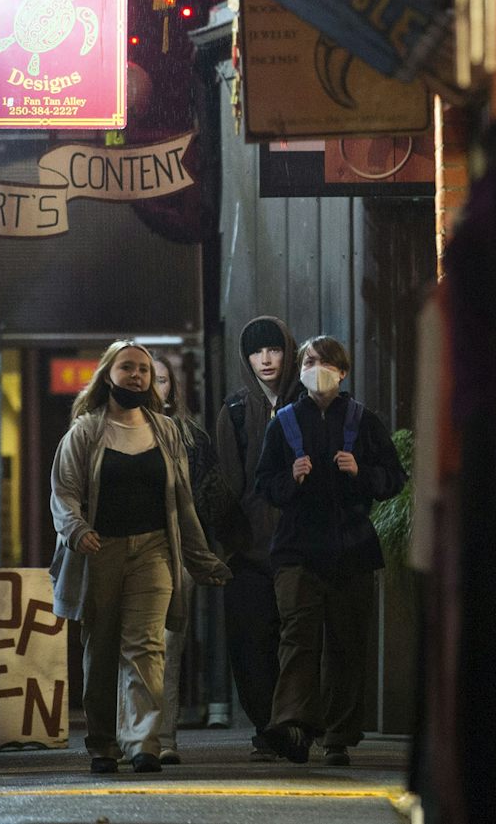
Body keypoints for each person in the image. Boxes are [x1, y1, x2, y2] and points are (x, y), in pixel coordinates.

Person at [50, 340, 231, 775]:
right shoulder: (86, 431)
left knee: (146, 645)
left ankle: (142, 742)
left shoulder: (165, 431)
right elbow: (65, 492)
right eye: (127, 367)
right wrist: (78, 530)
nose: (136, 375)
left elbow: (183, 500)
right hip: (102, 550)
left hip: (154, 549)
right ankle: (103, 743)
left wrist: (200, 557)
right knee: (102, 646)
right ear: (107, 376)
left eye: (143, 370)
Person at [253, 335, 407, 767]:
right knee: (297, 638)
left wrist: (362, 473)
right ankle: (293, 728)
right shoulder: (283, 422)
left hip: (352, 549)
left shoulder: (364, 420)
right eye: (308, 360)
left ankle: (339, 735)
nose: (314, 367)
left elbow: (395, 476)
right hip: (297, 548)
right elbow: (264, 483)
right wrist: (291, 478)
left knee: (347, 643)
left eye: (323, 361)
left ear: (342, 371)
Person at [212, 314, 297, 760]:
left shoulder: (308, 401)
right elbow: (226, 483)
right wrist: (228, 547)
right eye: (256, 352)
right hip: (248, 549)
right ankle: (268, 727)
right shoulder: (237, 410)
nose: (265, 359)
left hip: (301, 546)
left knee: (297, 644)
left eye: (274, 349)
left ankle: (293, 727)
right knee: (251, 645)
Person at [151, 352, 229, 765]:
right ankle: (129, 735)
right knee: (130, 646)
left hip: (179, 552)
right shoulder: (105, 431)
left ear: (172, 387)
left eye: (161, 378)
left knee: (168, 645)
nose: (153, 385)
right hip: (126, 551)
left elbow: (213, 497)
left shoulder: (191, 437)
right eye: (146, 376)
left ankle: (163, 737)